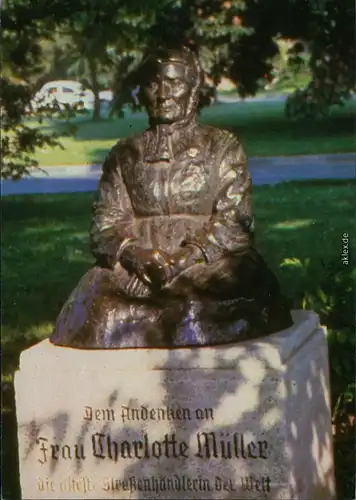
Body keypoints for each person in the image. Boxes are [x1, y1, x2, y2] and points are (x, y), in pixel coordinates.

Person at [50, 46, 292, 349]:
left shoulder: (222, 147)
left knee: (205, 302)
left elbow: (235, 221)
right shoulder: (125, 154)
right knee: (98, 308)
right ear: (142, 92)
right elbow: (104, 226)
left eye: (174, 82)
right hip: (137, 268)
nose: (163, 93)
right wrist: (134, 255)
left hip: (208, 261)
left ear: (193, 90)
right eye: (153, 83)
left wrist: (184, 258)